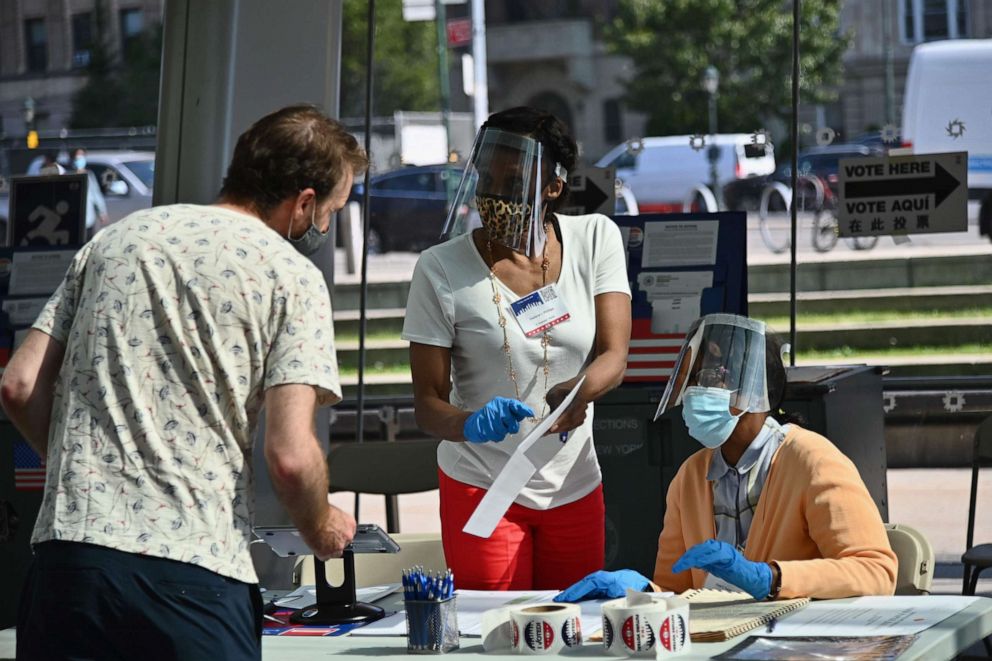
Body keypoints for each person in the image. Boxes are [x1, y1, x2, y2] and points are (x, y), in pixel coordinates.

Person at [1, 104, 367, 659]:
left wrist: (86, 470)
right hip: (193, 574)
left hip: (70, 568)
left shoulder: (116, 241)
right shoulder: (290, 276)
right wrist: (321, 527)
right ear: (305, 203)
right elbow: (291, 456)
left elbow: (19, 385)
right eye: (329, 213)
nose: (322, 228)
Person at [402, 106, 632, 591]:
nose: (493, 195)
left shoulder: (595, 238)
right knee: (497, 633)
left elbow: (615, 355)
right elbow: (426, 406)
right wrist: (469, 422)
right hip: (481, 484)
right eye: (486, 177)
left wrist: (579, 392)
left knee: (575, 627)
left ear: (553, 187)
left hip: (573, 484)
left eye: (512, 182)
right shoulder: (440, 268)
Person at [555, 314, 896, 602]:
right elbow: (677, 592)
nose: (696, 390)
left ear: (754, 387)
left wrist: (772, 578)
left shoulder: (812, 461)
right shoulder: (690, 478)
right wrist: (645, 591)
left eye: (713, 375)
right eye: (694, 378)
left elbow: (876, 572)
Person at [69, 147, 110, 232]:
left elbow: (96, 194)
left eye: (82, 155)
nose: (80, 158)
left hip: (88, 219)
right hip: (73, 218)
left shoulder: (89, 175)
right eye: (77, 155)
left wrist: (102, 212)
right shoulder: (68, 175)